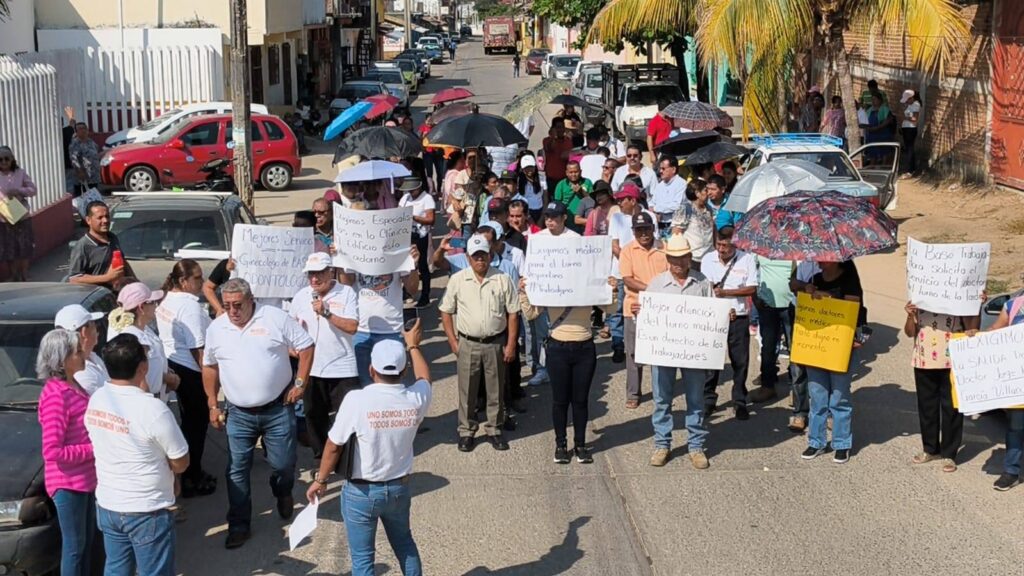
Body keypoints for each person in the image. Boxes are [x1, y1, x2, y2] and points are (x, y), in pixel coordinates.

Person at [307, 325, 431, 576]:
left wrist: (320, 480)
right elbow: (424, 379)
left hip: (361, 493)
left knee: (363, 560)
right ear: (403, 370)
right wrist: (414, 346)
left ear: (371, 369)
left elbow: (333, 445)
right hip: (398, 488)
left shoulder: (356, 400)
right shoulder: (416, 398)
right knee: (405, 545)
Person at [203, 278, 314, 548]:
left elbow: (307, 346)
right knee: (237, 470)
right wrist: (212, 404)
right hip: (238, 413)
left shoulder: (274, 318)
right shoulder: (217, 328)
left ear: (251, 300)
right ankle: (239, 525)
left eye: (238, 305)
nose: (232, 311)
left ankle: (283, 491)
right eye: (227, 305)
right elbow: (209, 366)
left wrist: (300, 383)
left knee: (283, 464)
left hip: (277, 409)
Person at [87, 334, 190, 576]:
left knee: (116, 569)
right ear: (143, 367)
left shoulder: (97, 399)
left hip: (109, 504)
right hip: (146, 509)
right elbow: (181, 461)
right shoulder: (153, 409)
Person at [519, 267, 616, 464]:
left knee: (580, 400)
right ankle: (560, 445)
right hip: (558, 347)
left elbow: (610, 309)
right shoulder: (552, 286)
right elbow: (531, 314)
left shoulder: (588, 286)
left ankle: (580, 445)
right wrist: (523, 292)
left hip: (585, 348)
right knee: (560, 401)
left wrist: (612, 290)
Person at [638, 235, 715, 468]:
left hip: (693, 353)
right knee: (662, 399)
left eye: (682, 258)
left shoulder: (702, 283)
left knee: (695, 399)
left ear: (690, 258)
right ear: (667, 258)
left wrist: (725, 315)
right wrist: (638, 311)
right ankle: (662, 444)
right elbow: (646, 317)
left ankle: (696, 446)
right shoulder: (657, 284)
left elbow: (712, 314)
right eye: (673, 258)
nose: (678, 263)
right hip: (663, 352)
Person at [439, 234, 519, 452]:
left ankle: (494, 429)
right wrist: (453, 342)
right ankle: (466, 430)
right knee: (467, 390)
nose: (479, 260)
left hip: (495, 342)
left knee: (496, 389)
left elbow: (513, 314)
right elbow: (445, 311)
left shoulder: (502, 279)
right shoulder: (458, 280)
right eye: (475, 256)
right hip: (468, 342)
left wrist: (511, 344)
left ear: (490, 255)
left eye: (483, 255)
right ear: (468, 257)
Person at [37, 328, 98, 576]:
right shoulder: (56, 395)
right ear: (61, 360)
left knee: (86, 546)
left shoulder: (74, 386)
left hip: (85, 480)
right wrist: (94, 449)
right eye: (76, 351)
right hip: (68, 483)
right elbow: (53, 450)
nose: (82, 353)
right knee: (74, 549)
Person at [156, 259, 216, 498]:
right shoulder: (189, 306)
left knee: (189, 423)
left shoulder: (168, 298)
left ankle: (190, 471)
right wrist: (210, 381)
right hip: (192, 369)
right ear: (183, 281)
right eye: (198, 278)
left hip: (176, 364)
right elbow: (198, 348)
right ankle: (192, 475)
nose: (201, 282)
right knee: (196, 426)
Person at [291, 253, 360, 459]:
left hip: (342, 368)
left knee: (347, 416)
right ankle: (322, 456)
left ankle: (348, 457)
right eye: (311, 274)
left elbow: (352, 327)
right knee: (314, 416)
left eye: (319, 273)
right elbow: (289, 329)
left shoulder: (346, 293)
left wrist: (327, 313)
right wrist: (291, 349)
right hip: (312, 368)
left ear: (331, 271)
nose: (314, 279)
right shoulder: (300, 296)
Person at [801, 260, 864, 464]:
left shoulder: (849, 280)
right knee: (817, 396)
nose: (819, 260)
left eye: (824, 256)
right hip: (816, 346)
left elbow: (853, 305)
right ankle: (816, 441)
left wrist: (826, 296)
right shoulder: (816, 280)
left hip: (839, 346)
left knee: (839, 397)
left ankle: (842, 443)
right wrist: (806, 290)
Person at [903, 300, 975, 474]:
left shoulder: (959, 299)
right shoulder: (920, 299)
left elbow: (972, 329)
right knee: (927, 407)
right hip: (923, 360)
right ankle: (930, 449)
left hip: (952, 361)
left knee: (952, 409)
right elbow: (909, 332)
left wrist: (974, 303)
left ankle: (949, 453)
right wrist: (910, 315)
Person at [701, 226, 758, 420]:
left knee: (740, 361)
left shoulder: (747, 259)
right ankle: (708, 399)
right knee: (712, 361)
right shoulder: (708, 259)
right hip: (714, 316)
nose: (721, 249)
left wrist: (727, 293)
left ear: (735, 244)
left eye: (725, 245)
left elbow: (751, 288)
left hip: (739, 317)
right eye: (718, 244)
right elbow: (703, 287)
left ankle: (740, 401)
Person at [342, 249, 420, 385]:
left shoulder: (398, 249)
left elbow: (412, 289)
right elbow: (346, 284)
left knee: (393, 384)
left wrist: (413, 266)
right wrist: (340, 260)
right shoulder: (355, 248)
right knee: (364, 383)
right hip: (361, 330)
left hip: (392, 330)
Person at [619, 212, 668, 409]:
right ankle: (633, 392)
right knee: (633, 353)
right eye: (639, 230)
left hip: (661, 308)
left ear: (653, 229)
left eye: (647, 229)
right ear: (633, 231)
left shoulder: (664, 248)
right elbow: (627, 279)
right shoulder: (627, 250)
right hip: (634, 307)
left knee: (661, 352)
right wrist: (651, 290)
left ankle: (662, 391)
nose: (644, 233)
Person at [978, 290, 1024, 490]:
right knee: (1016, 427)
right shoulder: (1013, 305)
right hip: (1017, 380)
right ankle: (1011, 472)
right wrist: (976, 337)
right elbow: (996, 329)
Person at [607, 184, 655, 363]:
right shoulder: (616, 217)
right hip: (621, 271)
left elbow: (653, 241)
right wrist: (629, 262)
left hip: (645, 271)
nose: (619, 202)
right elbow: (614, 245)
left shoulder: (649, 216)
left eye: (622, 199)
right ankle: (618, 345)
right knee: (619, 310)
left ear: (633, 200)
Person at [108, 282, 179, 402]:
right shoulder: (132, 339)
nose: (156, 306)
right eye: (153, 303)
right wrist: (167, 378)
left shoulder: (144, 329)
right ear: (141, 307)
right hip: (147, 400)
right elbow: (139, 379)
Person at [749, 257, 796, 407]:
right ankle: (767, 385)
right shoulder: (761, 247)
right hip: (767, 306)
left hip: (792, 306)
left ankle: (797, 390)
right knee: (768, 347)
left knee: (795, 349)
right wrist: (755, 298)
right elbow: (752, 273)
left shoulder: (797, 248)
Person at [68, 201, 134, 291]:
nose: (105, 221)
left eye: (107, 216)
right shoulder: (82, 246)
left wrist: (136, 283)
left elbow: (123, 263)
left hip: (118, 295)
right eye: (100, 218)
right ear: (88, 220)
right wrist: (107, 277)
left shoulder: (112, 237)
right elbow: (74, 279)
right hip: (97, 299)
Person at [0, 145, 37, 282]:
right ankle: (14, 275)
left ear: (12, 159)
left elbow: (33, 190)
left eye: (6, 159)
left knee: (24, 247)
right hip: (4, 219)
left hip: (22, 216)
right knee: (9, 249)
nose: (3, 162)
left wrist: (19, 191)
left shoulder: (20, 173)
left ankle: (24, 274)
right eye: (0, 159)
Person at [54, 304, 108, 396]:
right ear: (84, 332)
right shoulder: (81, 373)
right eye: (94, 324)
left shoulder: (91, 356)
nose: (97, 329)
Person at [398, 177, 436, 308]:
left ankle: (425, 296)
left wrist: (414, 218)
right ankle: (406, 292)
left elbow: (431, 219)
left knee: (422, 266)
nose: (410, 192)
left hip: (421, 236)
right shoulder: (405, 199)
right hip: (406, 236)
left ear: (418, 188)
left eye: (412, 190)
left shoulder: (427, 199)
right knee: (407, 265)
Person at [670, 180, 714, 271]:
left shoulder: (709, 209)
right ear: (697, 193)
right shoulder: (684, 209)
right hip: (693, 258)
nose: (708, 193)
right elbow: (676, 234)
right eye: (705, 190)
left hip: (709, 256)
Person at [553, 160, 594, 232]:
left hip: (584, 220)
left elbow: (593, 200)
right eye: (571, 172)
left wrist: (581, 191)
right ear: (566, 173)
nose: (574, 174)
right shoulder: (561, 184)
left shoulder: (587, 182)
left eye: (576, 172)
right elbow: (557, 204)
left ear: (580, 171)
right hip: (568, 221)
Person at [650, 155, 686, 230]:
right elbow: (652, 203)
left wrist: (656, 209)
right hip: (660, 226)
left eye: (663, 169)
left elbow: (677, 206)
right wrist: (654, 211)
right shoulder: (659, 186)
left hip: (675, 226)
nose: (660, 171)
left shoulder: (682, 184)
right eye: (660, 168)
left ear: (673, 169)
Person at [68, 122, 101, 193]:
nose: (83, 130)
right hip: (83, 177)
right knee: (82, 198)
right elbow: (74, 159)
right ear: (76, 132)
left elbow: (96, 153)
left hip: (94, 175)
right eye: (80, 129)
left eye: (84, 128)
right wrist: (79, 172)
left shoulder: (91, 141)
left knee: (94, 197)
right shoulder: (75, 143)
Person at [542, 118, 573, 194]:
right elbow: (549, 147)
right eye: (558, 127)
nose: (561, 130)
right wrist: (553, 137)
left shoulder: (568, 141)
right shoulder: (546, 140)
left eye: (562, 127)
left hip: (565, 178)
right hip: (551, 179)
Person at [517, 154, 546, 222]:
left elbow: (545, 197)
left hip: (540, 210)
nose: (529, 169)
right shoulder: (519, 180)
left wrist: (542, 217)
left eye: (531, 167)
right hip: (526, 212)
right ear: (522, 168)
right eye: (526, 167)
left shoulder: (541, 177)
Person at [900, 89, 921, 175]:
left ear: (911, 98)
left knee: (910, 149)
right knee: (908, 148)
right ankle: (910, 168)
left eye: (907, 100)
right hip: (906, 128)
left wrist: (905, 118)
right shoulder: (909, 105)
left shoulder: (916, 105)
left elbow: (915, 119)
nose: (906, 102)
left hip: (911, 129)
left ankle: (910, 169)